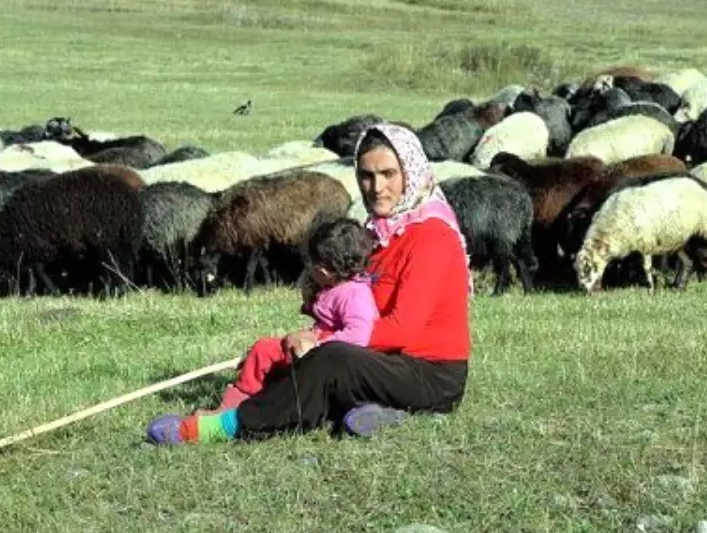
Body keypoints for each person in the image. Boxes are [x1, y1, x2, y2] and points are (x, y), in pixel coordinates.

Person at [146, 122, 472, 445]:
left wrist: (321, 340)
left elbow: (402, 330)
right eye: (366, 175)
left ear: (411, 172)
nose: (376, 187)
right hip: (384, 361)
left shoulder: (432, 236)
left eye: (389, 174)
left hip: (430, 373)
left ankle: (229, 426)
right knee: (280, 352)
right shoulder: (377, 234)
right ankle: (375, 410)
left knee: (330, 360)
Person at [200, 217, 379, 413]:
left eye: (313, 263)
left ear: (325, 269)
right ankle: (255, 387)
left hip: (323, 356)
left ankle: (235, 405)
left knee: (263, 350)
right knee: (264, 354)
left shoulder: (354, 294)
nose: (310, 269)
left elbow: (359, 334)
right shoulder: (337, 287)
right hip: (315, 350)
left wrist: (317, 347)